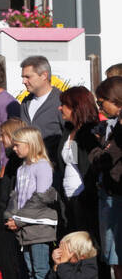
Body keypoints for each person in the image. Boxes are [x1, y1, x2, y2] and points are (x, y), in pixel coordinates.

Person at [4, 126, 57, 279]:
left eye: (18, 145)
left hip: (39, 226)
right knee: (28, 268)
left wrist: (19, 219)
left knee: (40, 269)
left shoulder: (42, 166)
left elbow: (41, 198)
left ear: (30, 144)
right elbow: (16, 196)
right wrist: (11, 217)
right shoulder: (21, 169)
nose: (14, 149)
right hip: (24, 226)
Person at [86, 77, 122, 279]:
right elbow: (98, 155)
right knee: (114, 260)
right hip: (109, 193)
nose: (100, 107)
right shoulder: (114, 125)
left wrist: (102, 151)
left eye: (103, 101)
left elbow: (108, 157)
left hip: (117, 194)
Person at [0, 117, 31, 279]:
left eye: (4, 135)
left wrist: (12, 216)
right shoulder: (10, 160)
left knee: (13, 261)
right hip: (4, 215)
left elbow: (16, 193)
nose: (1, 139)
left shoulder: (19, 163)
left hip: (12, 218)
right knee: (7, 259)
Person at [57, 86, 99, 238]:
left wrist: (86, 195)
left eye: (64, 105)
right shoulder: (68, 131)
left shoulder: (92, 131)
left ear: (76, 107)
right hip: (68, 197)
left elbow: (91, 166)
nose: (60, 108)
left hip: (85, 198)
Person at [18, 55, 64, 173]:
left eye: (28, 77)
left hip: (53, 170)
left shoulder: (61, 101)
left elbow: (69, 136)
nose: (24, 81)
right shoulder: (25, 103)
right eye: (23, 77)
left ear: (44, 75)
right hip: (27, 170)